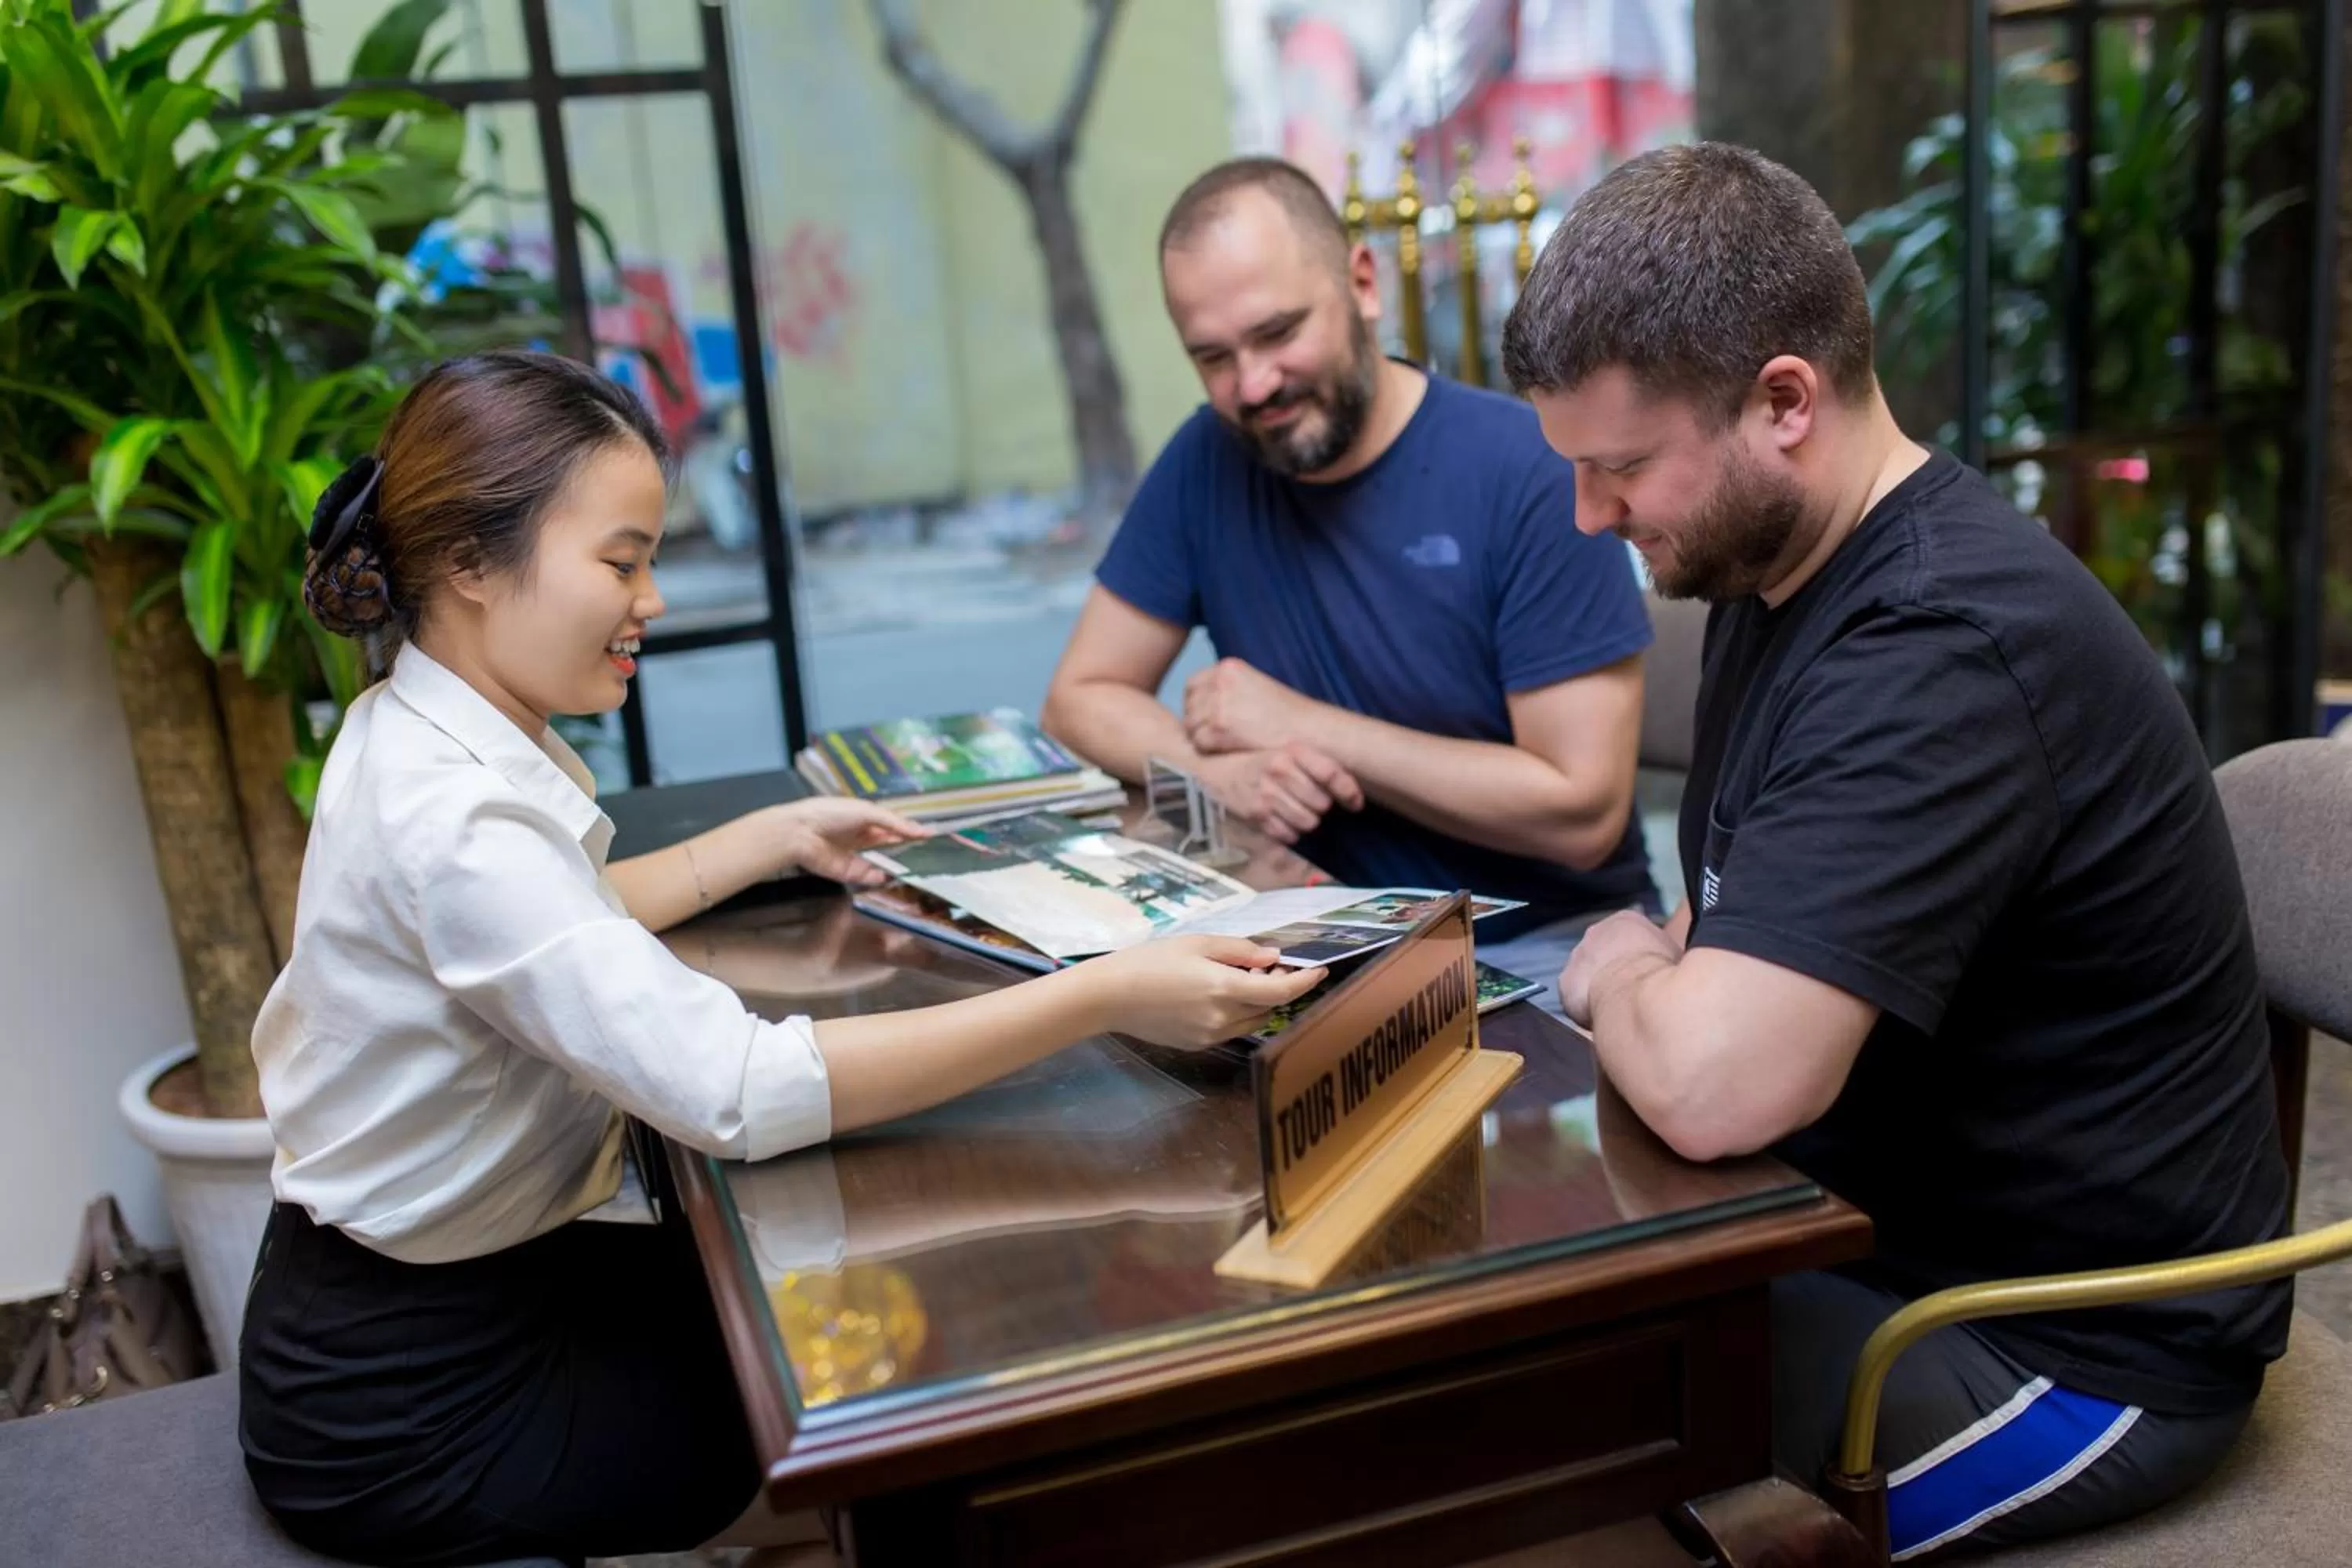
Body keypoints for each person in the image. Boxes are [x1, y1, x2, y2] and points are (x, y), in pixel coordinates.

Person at [238, 350, 1328, 1568]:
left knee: (813, 1311)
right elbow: (738, 1092)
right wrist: (1106, 991)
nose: (650, 599)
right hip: (403, 1403)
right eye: (621, 562)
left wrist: (765, 839)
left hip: (445, 1292)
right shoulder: (455, 818)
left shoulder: (425, 723)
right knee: (866, 1390)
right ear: (470, 565)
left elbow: (566, 913)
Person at [1502, 143, 2292, 1558]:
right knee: (1508, 1369)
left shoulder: (1939, 648)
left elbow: (1709, 1072)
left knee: (1548, 1477)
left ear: (1784, 402)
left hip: (2060, 1353)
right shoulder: (1775, 567)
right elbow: (1718, 952)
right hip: (1867, 1235)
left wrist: (1611, 966)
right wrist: (1669, 979)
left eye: (1618, 467)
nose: (1589, 517)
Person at [1041, 157, 1658, 1002]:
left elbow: (1581, 812)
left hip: (1537, 948)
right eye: (1213, 357)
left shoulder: (1528, 470)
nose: (1252, 384)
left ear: (1362, 283)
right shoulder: (1206, 459)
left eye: (1278, 333)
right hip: (1307, 944)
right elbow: (1080, 695)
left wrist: (1301, 726)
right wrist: (1215, 771)